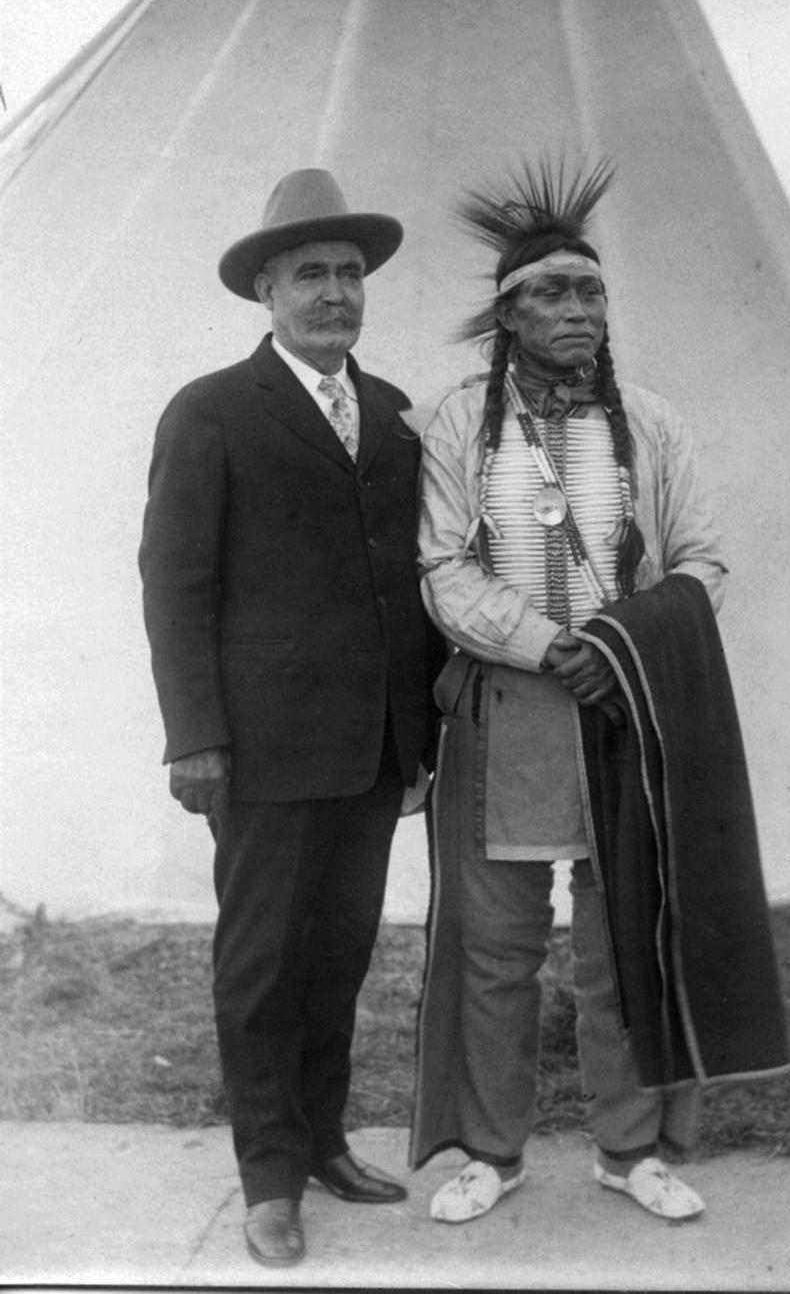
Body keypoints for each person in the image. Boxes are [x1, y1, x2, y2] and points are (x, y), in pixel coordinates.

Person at [409, 157, 790, 1225]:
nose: (576, 309)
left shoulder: (654, 423)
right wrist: (545, 644)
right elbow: (443, 565)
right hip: (508, 712)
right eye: (551, 293)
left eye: (590, 291)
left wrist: (616, 645)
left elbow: (704, 559)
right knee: (497, 949)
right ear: (507, 316)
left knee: (623, 942)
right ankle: (492, 1149)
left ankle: (631, 1150)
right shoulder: (457, 425)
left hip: (629, 711)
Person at [139, 169, 439, 1268]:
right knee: (263, 963)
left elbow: (412, 579)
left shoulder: (399, 411)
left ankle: (323, 1141)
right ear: (266, 289)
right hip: (263, 747)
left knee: (339, 955)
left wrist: (419, 739)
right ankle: (268, 1178)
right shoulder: (212, 409)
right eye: (309, 273)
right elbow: (174, 583)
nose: (334, 293)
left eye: (350, 273)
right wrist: (196, 734)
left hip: (372, 746)